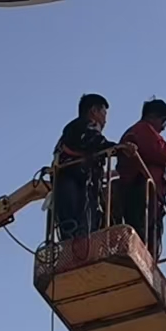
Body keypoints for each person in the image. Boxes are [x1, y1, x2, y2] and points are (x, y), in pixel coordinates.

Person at [114, 98, 166, 252]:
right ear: (155, 117)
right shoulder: (142, 130)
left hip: (147, 198)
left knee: (147, 241)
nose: (162, 129)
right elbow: (160, 150)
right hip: (140, 193)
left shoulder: (139, 131)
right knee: (142, 237)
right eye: (164, 123)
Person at [53, 93, 114, 241]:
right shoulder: (86, 125)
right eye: (104, 114)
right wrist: (118, 148)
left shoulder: (70, 132)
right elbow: (93, 141)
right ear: (94, 111)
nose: (105, 120)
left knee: (72, 231)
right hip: (78, 186)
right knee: (81, 231)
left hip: (69, 185)